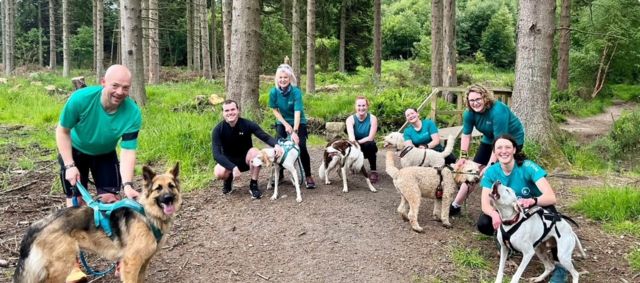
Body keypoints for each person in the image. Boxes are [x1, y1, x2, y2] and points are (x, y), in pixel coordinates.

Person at [55, 64, 141, 282]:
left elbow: (128, 151)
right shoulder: (81, 99)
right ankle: (72, 265)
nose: (120, 92)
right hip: (74, 152)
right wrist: (68, 165)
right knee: (75, 207)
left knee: (114, 202)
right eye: (115, 86)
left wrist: (128, 184)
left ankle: (124, 260)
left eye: (125, 87)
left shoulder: (132, 112)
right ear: (103, 82)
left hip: (104, 154)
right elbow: (62, 131)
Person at [477, 134, 567, 282]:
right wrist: (494, 214)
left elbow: (551, 197)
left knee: (554, 223)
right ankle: (510, 243)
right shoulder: (491, 172)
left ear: (514, 150)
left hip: (534, 207)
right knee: (484, 223)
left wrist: (532, 200)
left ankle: (560, 266)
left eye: (507, 147)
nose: (503, 151)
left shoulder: (527, 166)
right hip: (511, 211)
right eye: (499, 147)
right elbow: (485, 204)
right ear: (494, 151)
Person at [450, 84, 525, 215]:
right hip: (489, 139)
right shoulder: (469, 113)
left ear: (485, 97)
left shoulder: (498, 111)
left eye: (478, 99)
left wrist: (490, 164)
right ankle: (455, 205)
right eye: (471, 100)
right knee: (474, 171)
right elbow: (466, 135)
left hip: (510, 140)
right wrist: (463, 156)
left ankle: (507, 207)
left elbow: (499, 142)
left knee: (498, 170)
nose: (475, 103)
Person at [212, 100, 283, 199]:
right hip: (229, 162)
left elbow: (264, 136)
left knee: (255, 152)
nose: (230, 112)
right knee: (218, 172)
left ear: (238, 110)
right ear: (223, 113)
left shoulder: (247, 124)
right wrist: (233, 167)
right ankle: (228, 180)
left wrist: (276, 144)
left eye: (233, 109)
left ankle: (253, 184)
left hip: (247, 160)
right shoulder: (218, 130)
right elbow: (216, 154)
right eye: (227, 110)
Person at [268, 64, 316, 189]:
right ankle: (281, 175)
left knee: (301, 146)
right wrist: (285, 125)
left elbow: (297, 112)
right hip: (282, 122)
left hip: (298, 122)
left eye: (285, 77)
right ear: (277, 78)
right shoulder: (273, 92)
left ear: (290, 79)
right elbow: (274, 110)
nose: (282, 80)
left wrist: (294, 131)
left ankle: (308, 176)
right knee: (278, 147)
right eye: (280, 77)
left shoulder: (295, 92)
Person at [345, 96, 379, 183]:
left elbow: (370, 137)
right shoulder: (350, 119)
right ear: (355, 106)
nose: (361, 108)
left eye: (363, 105)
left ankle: (373, 171)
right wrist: (355, 143)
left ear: (367, 106)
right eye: (359, 105)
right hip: (355, 146)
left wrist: (357, 142)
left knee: (370, 143)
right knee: (348, 145)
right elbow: (351, 137)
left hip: (367, 146)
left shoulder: (373, 118)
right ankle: (353, 166)